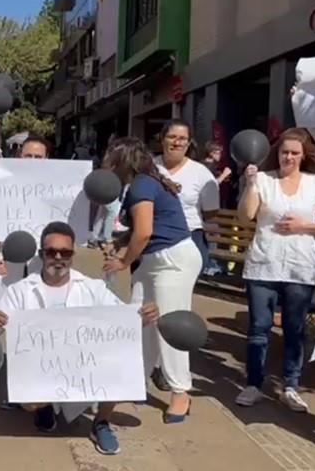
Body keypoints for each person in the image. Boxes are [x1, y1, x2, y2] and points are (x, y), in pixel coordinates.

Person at [0, 222, 159, 455]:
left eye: (65, 252)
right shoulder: (20, 290)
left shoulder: (92, 288)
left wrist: (142, 316)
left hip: (85, 367)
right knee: (26, 396)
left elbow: (123, 320)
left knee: (121, 360)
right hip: (44, 369)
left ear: (73, 255)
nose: (58, 257)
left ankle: (100, 423)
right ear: (41, 254)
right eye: (51, 252)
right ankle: (43, 408)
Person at [102, 137, 201, 423]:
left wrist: (123, 261)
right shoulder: (145, 183)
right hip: (157, 259)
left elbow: (144, 232)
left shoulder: (142, 185)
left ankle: (181, 391)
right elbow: (146, 229)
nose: (108, 166)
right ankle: (137, 379)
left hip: (171, 260)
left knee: (170, 325)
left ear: (123, 162)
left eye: (111, 160)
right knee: (139, 319)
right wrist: (122, 241)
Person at [235, 127, 315, 412]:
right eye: (285, 152)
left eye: (295, 153)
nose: (289, 157)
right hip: (264, 264)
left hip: (300, 266)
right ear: (277, 153)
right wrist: (249, 184)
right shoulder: (262, 179)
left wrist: (303, 226)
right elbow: (246, 215)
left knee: (295, 329)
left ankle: (291, 386)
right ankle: (253, 384)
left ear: (304, 155)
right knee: (259, 328)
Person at [154, 119, 220, 272]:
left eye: (182, 138)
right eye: (172, 137)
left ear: (188, 143)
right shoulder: (149, 168)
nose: (177, 142)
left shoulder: (201, 173)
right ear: (162, 139)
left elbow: (210, 211)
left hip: (189, 238)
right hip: (154, 238)